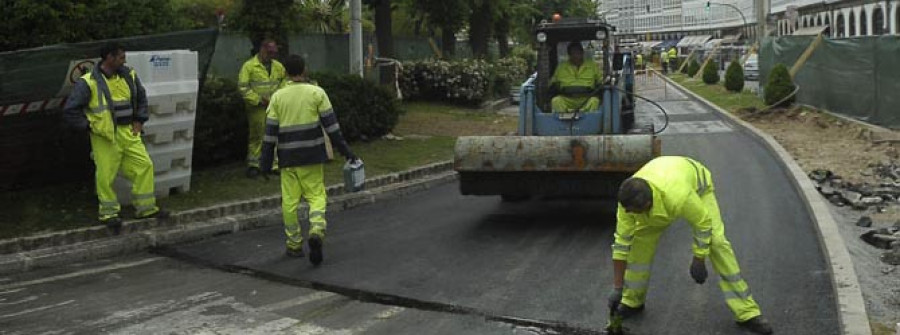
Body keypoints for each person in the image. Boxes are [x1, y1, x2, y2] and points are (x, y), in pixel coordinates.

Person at [608, 156, 774, 334]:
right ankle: (632, 300)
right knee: (637, 243)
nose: (628, 213)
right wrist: (618, 288)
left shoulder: (678, 195)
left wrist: (699, 258)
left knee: (717, 243)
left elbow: (703, 224)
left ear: (646, 205)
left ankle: (747, 311)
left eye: (632, 211)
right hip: (663, 178)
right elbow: (622, 244)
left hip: (697, 188)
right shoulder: (627, 201)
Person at [259, 55, 358, 266]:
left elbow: (269, 135)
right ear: (304, 71)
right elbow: (332, 128)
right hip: (312, 156)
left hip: (287, 158)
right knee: (316, 196)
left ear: (285, 72)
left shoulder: (277, 97)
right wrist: (347, 152)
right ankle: (316, 230)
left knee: (289, 202)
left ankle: (294, 245)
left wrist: (265, 164)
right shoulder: (316, 93)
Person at [63, 42, 168, 234]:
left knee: (144, 165)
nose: (124, 60)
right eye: (120, 57)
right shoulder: (88, 82)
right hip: (105, 136)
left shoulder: (129, 75)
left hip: (129, 131)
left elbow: (141, 98)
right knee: (105, 174)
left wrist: (139, 121)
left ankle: (146, 209)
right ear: (109, 58)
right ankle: (109, 214)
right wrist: (89, 127)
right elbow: (71, 111)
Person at [239, 38, 286, 178]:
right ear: (262, 49)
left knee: (275, 135)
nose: (272, 55)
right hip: (257, 108)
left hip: (274, 107)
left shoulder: (278, 66)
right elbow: (243, 87)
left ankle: (274, 165)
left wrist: (277, 98)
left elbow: (284, 82)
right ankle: (254, 165)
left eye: (274, 53)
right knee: (257, 135)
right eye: (270, 52)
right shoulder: (249, 66)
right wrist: (258, 100)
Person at [550, 42, 603, 113]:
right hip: (567, 98)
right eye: (573, 53)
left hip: (586, 98)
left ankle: (589, 122)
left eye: (578, 53)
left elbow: (601, 81)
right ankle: (563, 123)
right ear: (569, 55)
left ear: (582, 53)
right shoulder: (561, 67)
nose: (576, 56)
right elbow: (553, 83)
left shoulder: (592, 65)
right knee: (556, 101)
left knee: (594, 101)